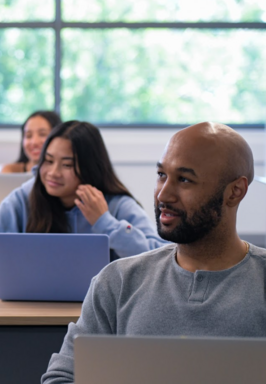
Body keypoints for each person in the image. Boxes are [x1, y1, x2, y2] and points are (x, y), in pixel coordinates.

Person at [41, 122, 263, 384]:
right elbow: (62, 377)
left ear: (235, 191)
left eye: (184, 179)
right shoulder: (117, 281)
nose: (163, 194)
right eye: (161, 175)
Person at [0, 120, 167, 286]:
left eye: (67, 164)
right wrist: (13, 280)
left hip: (99, 314)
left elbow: (161, 261)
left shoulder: (116, 205)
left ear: (90, 168)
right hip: (32, 310)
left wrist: (106, 223)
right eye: (48, 161)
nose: (53, 173)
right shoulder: (24, 198)